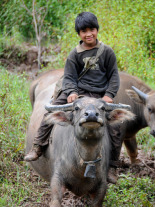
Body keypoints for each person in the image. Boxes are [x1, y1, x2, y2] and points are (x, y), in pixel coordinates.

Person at [24, 11, 121, 162]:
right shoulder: (74, 54)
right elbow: (69, 77)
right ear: (79, 33)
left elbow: (114, 76)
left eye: (91, 30)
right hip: (79, 90)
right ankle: (38, 145)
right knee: (51, 112)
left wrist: (109, 95)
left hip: (100, 94)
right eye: (84, 31)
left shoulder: (107, 52)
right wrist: (71, 92)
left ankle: (114, 163)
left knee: (115, 127)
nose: (89, 34)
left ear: (97, 29)